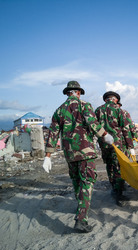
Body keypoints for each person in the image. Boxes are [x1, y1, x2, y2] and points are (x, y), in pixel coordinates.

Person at [43, 81, 114, 233]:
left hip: (69, 153)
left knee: (76, 181)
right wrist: (105, 135)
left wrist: (47, 156)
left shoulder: (59, 110)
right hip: (85, 151)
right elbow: (92, 122)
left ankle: (80, 206)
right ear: (78, 92)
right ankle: (81, 219)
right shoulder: (84, 105)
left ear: (68, 93)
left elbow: (53, 134)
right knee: (86, 182)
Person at [95, 91, 135, 206]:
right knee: (119, 167)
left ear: (106, 99)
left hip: (104, 143)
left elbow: (94, 126)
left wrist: (98, 140)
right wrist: (130, 146)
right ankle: (119, 193)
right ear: (116, 100)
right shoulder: (119, 110)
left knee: (109, 166)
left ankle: (113, 187)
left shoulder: (98, 110)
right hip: (117, 144)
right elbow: (125, 129)